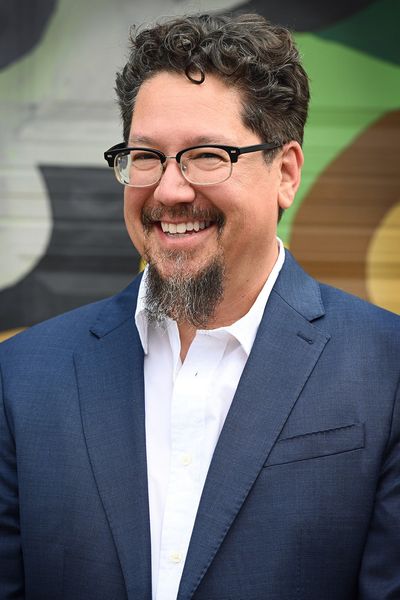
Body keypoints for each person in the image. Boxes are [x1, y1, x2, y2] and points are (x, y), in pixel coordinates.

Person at [0, 12, 399, 600]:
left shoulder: (386, 367)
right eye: (145, 156)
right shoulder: (25, 375)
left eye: (206, 155)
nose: (168, 190)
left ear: (285, 173)